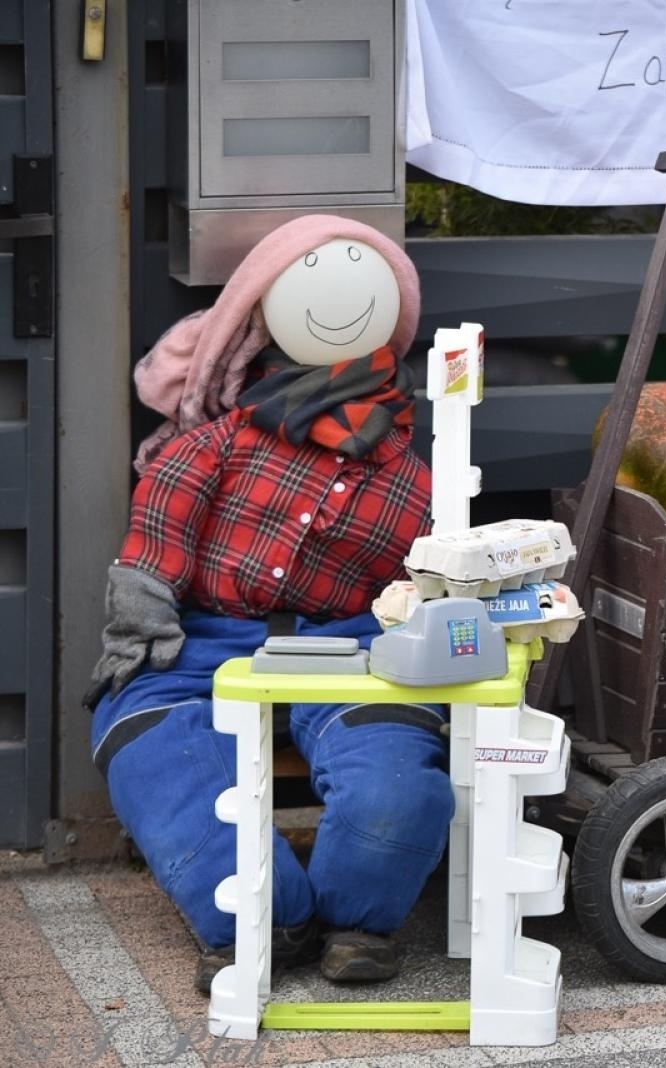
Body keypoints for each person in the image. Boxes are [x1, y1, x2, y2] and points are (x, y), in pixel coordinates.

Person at [84, 215, 449, 993]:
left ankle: (358, 916)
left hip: (348, 643)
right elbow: (164, 512)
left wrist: (431, 603)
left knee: (397, 773)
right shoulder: (224, 441)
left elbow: (426, 566)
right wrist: (143, 606)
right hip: (206, 639)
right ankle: (258, 914)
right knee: (156, 754)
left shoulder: (410, 470)